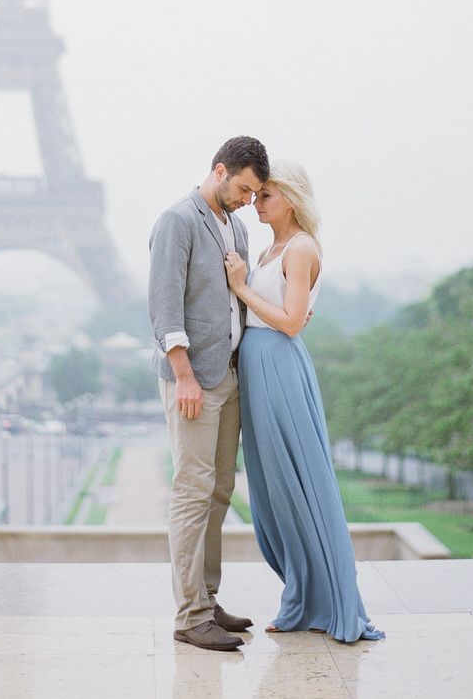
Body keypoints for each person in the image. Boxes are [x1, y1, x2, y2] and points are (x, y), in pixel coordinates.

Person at [223, 159, 385, 642]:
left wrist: (240, 287)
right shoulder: (273, 247)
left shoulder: (300, 248)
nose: (256, 203)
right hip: (258, 366)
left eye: (266, 196)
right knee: (275, 492)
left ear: (290, 199)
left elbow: (291, 322)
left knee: (301, 485)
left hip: (278, 368)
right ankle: (301, 598)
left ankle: (327, 602)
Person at [148, 135, 270, 652]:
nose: (247, 199)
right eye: (242, 188)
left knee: (220, 491)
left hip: (229, 375)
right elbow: (164, 304)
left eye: (254, 192)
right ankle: (189, 614)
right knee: (193, 491)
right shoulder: (178, 220)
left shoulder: (236, 227)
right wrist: (185, 376)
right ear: (219, 171)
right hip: (194, 379)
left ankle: (207, 598)